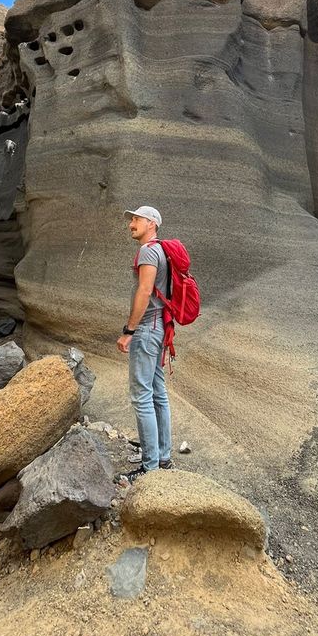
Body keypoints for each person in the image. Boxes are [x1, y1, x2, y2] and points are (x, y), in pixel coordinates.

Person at [117, 205, 173, 480]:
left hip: (147, 329)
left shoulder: (149, 251)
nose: (131, 224)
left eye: (137, 219)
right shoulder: (162, 250)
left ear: (152, 223)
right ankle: (163, 457)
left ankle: (150, 468)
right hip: (158, 326)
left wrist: (129, 330)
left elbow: (145, 290)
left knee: (142, 397)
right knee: (157, 392)